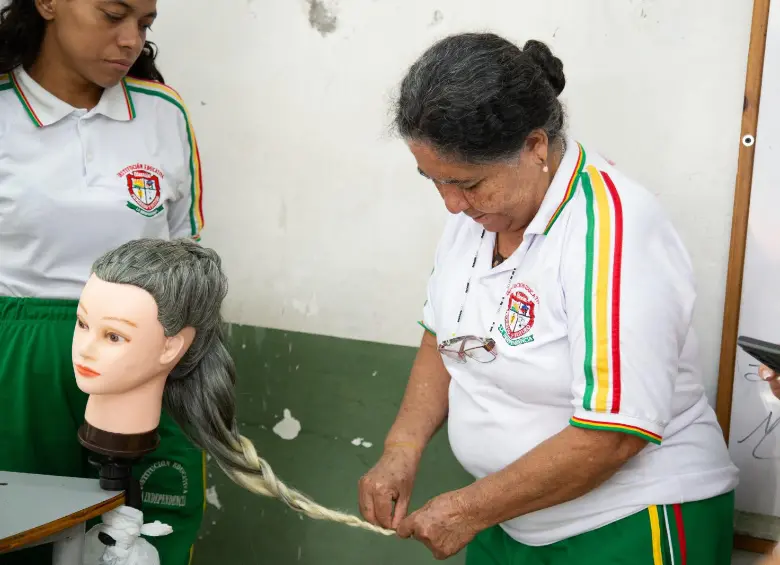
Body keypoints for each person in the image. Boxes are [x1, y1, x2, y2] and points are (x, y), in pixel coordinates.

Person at [358, 32, 740, 564]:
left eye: (467, 183)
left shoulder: (613, 228)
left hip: (628, 523)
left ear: (535, 147)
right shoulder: (479, 216)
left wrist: (469, 509)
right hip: (508, 518)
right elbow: (442, 341)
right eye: (433, 180)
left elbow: (616, 434)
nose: (451, 204)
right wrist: (401, 449)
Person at [0, 1, 205, 564]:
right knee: (21, 531)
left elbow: (184, 253)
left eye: (144, 23)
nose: (130, 40)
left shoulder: (163, 112)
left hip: (145, 358)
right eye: (112, 15)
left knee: (138, 535)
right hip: (21, 357)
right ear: (48, 4)